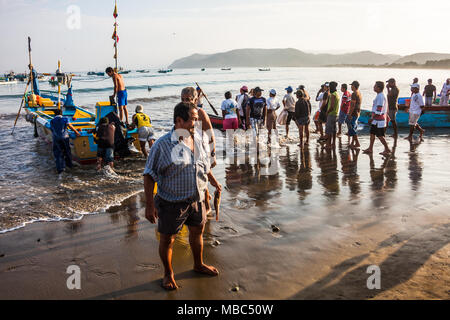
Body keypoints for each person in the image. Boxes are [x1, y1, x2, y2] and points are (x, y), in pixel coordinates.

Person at [144, 102, 222, 291]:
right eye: (193, 120)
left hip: (197, 199)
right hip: (172, 203)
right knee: (168, 239)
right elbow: (149, 174)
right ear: (179, 120)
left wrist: (212, 181)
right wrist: (149, 205)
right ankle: (168, 273)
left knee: (197, 233)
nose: (196, 123)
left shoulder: (197, 139)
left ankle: (198, 264)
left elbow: (202, 163)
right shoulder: (162, 146)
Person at [181, 87, 216, 215]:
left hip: (202, 150)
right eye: (183, 99)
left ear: (195, 100)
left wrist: (213, 155)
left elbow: (210, 134)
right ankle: (203, 197)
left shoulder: (200, 113)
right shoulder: (182, 112)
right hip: (188, 149)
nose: (185, 102)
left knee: (201, 178)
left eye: (188, 99)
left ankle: (207, 207)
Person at [363, 81, 391, 156]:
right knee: (372, 133)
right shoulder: (380, 95)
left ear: (378, 88)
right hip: (376, 120)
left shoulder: (381, 96)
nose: (373, 87)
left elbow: (379, 109)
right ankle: (370, 148)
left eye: (375, 86)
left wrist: (372, 118)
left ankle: (387, 149)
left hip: (379, 120)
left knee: (380, 135)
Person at [49, 108, 81, 174]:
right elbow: (70, 126)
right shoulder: (65, 119)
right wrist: (76, 132)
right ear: (61, 113)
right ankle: (69, 165)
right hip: (65, 137)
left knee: (58, 153)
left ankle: (60, 169)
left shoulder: (52, 121)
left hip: (56, 138)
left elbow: (52, 129)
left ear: (54, 114)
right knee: (67, 151)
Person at [324, 82, 340, 149]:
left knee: (328, 130)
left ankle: (328, 145)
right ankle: (333, 143)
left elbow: (332, 106)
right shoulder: (337, 94)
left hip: (331, 114)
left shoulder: (333, 94)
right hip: (336, 114)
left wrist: (327, 112)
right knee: (334, 130)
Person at [347, 81, 362, 149]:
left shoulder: (354, 94)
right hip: (357, 112)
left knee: (352, 128)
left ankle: (357, 143)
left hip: (353, 113)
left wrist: (349, 114)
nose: (351, 87)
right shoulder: (359, 93)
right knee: (354, 127)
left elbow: (352, 105)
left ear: (354, 86)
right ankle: (353, 143)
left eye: (352, 85)